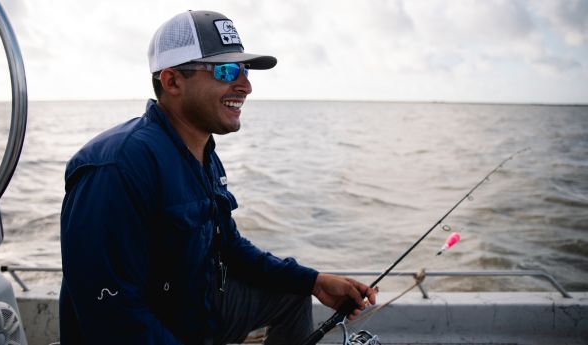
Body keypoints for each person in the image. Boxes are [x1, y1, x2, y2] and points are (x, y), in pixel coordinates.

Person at [59, 10, 377, 345]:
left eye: (245, 71)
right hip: (148, 326)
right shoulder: (116, 168)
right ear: (172, 81)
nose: (246, 86)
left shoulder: (203, 153)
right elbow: (112, 317)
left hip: (197, 307)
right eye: (226, 71)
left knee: (292, 293)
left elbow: (229, 246)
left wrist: (312, 280)